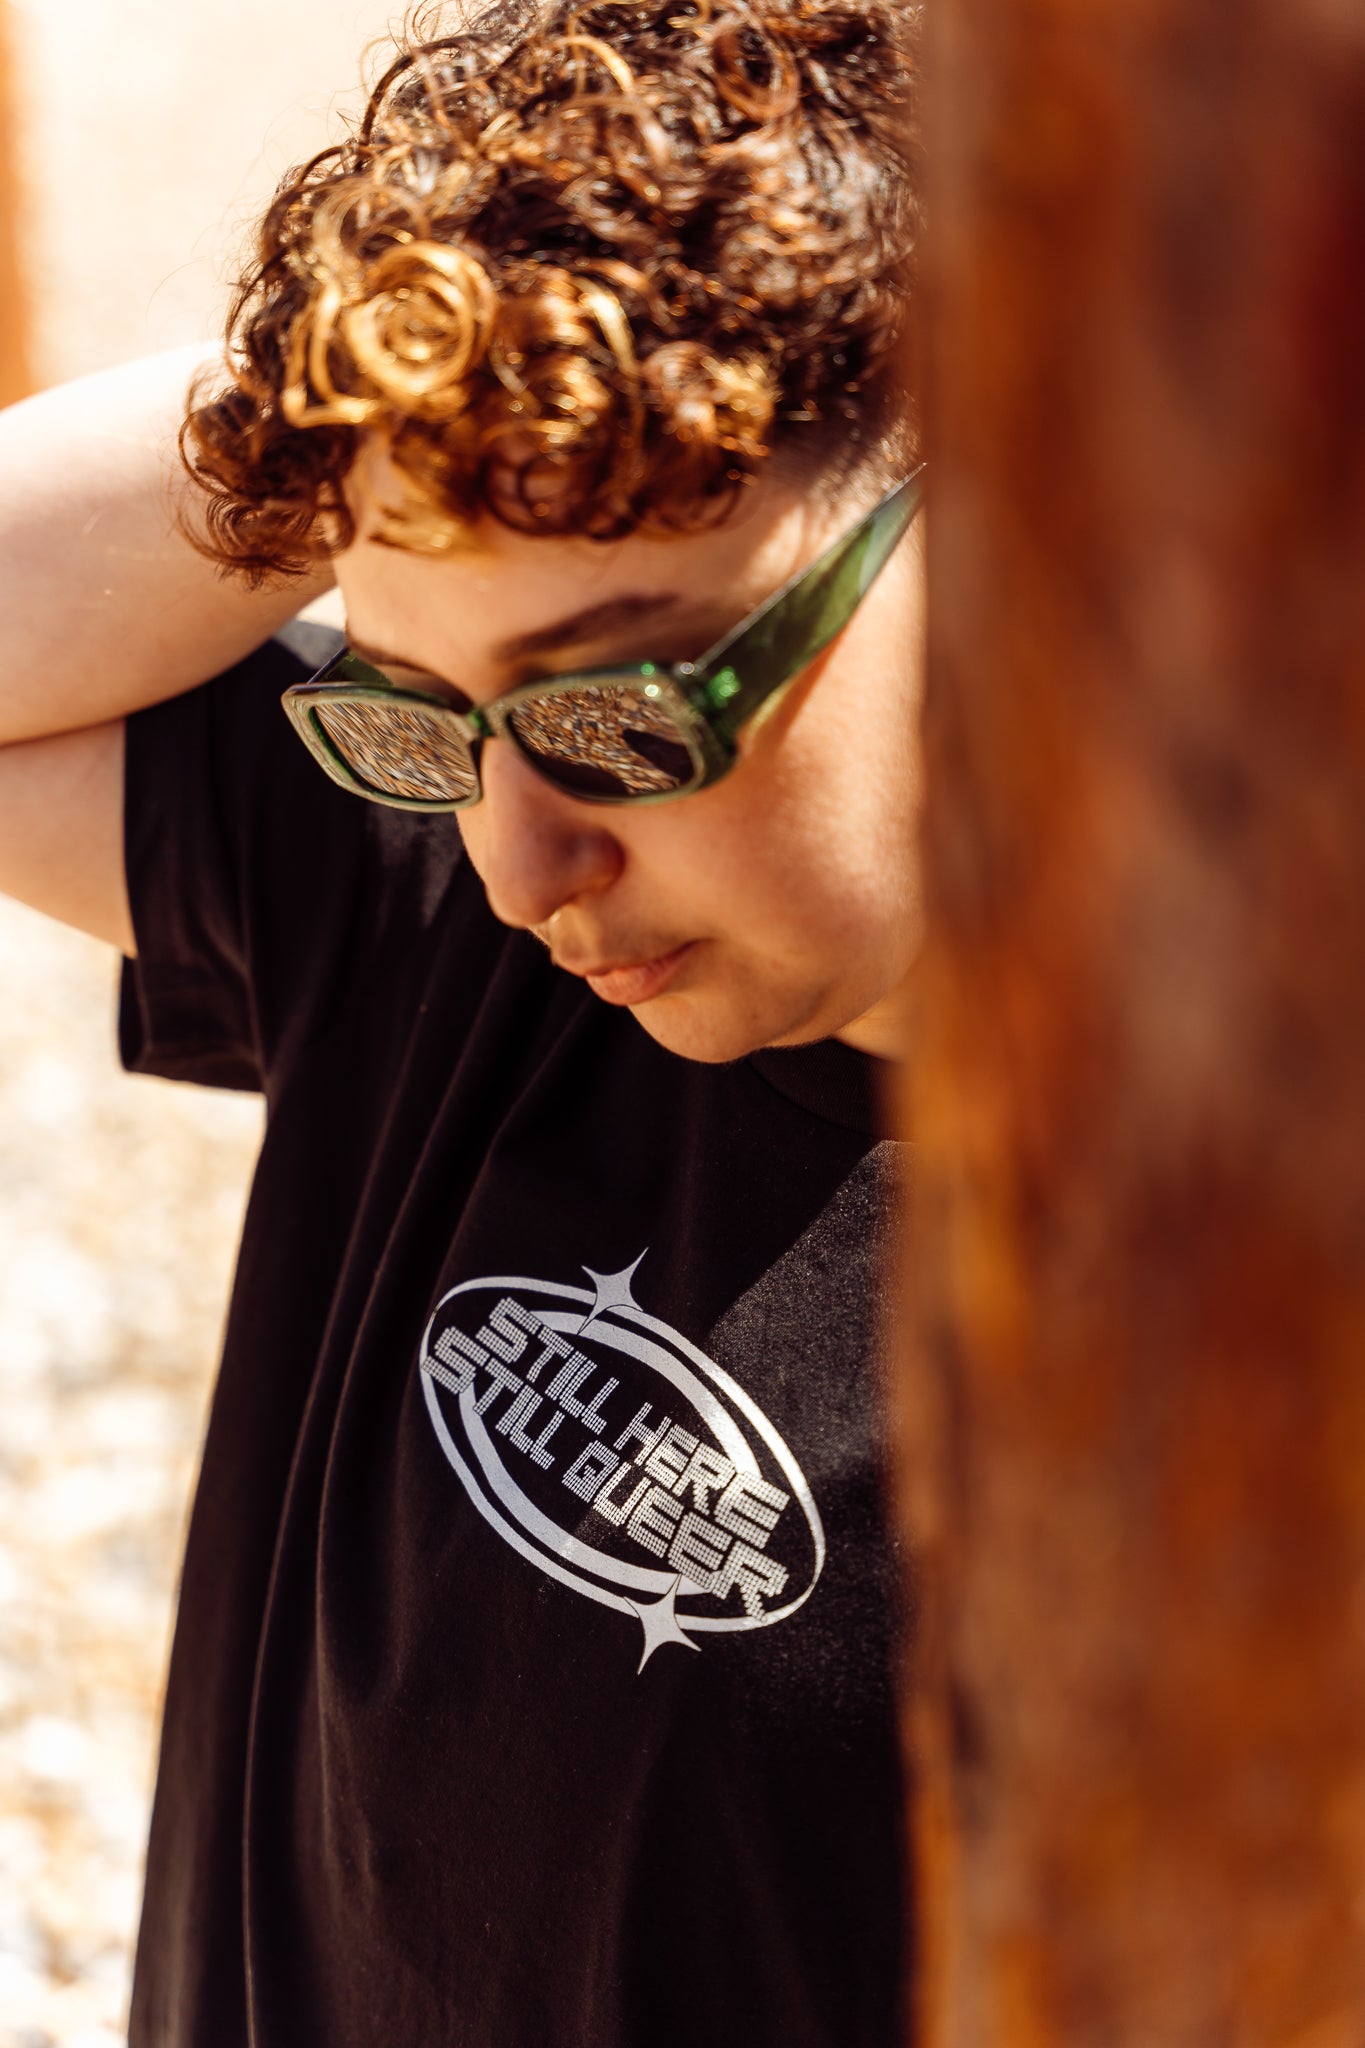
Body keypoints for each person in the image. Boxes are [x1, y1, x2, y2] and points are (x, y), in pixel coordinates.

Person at [0, 2, 923, 2042]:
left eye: (621, 711)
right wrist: (388, 394)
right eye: (422, 715)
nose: (522, 862)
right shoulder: (440, 915)